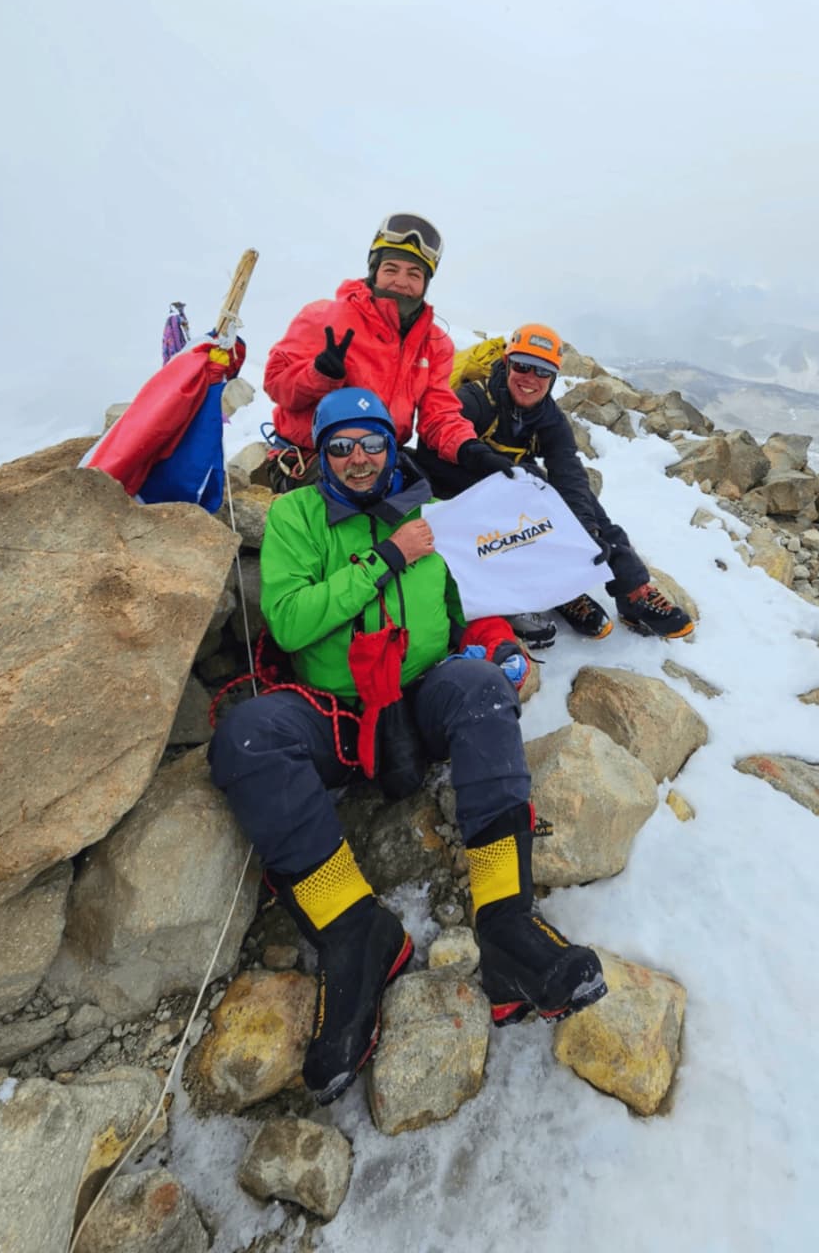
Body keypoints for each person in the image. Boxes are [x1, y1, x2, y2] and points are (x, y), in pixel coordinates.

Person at [209, 386, 606, 1105]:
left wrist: (499, 645)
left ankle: (506, 923)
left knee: (481, 686)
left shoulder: (435, 517)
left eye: (373, 444)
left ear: (392, 450)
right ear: (322, 454)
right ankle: (355, 932)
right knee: (247, 736)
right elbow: (290, 621)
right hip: (337, 713)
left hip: (420, 698)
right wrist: (385, 558)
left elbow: (471, 607)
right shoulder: (298, 517)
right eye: (341, 447)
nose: (359, 459)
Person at [415, 323, 695, 643]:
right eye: (522, 366)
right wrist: (485, 468)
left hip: (507, 483)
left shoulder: (549, 418)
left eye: (543, 372)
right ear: (507, 363)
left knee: (577, 501)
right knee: (530, 492)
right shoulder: (476, 399)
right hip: (453, 488)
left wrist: (587, 529)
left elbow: (568, 473)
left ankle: (632, 590)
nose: (530, 378)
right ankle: (557, 588)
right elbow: (429, 447)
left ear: (553, 378)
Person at [261, 212, 511, 490]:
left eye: (414, 274)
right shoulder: (323, 317)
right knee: (380, 500)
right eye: (391, 269)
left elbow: (438, 414)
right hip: (308, 458)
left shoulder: (435, 344)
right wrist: (318, 374)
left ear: (426, 283)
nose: (401, 282)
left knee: (455, 488)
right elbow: (275, 383)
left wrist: (469, 449)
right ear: (374, 271)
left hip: (381, 458)